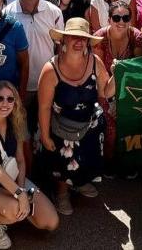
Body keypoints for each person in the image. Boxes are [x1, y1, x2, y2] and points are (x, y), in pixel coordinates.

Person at [38, 18, 115, 216]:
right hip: (63, 126)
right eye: (73, 36)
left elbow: (105, 92)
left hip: (89, 123)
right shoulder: (50, 69)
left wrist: (118, 74)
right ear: (63, 40)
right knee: (62, 164)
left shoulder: (94, 61)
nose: (79, 41)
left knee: (87, 157)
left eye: (83, 38)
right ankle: (62, 193)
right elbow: (44, 106)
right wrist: (45, 136)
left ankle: (79, 183)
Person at [0, 81, 58, 248]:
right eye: (0, 98)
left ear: (15, 102)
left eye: (10, 99)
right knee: (15, 208)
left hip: (12, 181)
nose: (5, 103)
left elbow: (21, 160)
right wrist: (20, 195)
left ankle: (16, 211)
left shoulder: (15, 121)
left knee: (50, 222)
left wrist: (21, 188)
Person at [3, 0, 62, 141]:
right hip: (20, 83)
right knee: (21, 130)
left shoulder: (54, 12)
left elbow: (59, 47)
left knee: (46, 127)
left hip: (48, 82)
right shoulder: (8, 13)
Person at [92, 1, 142, 172]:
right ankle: (108, 161)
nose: (121, 21)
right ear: (108, 19)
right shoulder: (100, 38)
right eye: (116, 17)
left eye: (126, 17)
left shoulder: (136, 37)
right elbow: (100, 76)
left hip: (129, 88)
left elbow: (139, 70)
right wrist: (112, 99)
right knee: (109, 123)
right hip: (104, 85)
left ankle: (127, 161)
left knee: (131, 118)